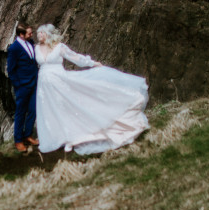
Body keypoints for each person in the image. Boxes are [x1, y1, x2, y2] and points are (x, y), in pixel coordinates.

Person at [34, 23, 148, 154]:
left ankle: (70, 136)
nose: (39, 35)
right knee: (50, 109)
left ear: (48, 34)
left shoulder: (59, 47)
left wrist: (92, 63)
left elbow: (75, 57)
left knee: (65, 107)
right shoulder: (36, 48)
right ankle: (57, 136)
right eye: (38, 33)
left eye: (41, 33)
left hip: (60, 80)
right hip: (44, 85)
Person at [5, 23, 40, 153]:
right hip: (22, 86)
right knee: (20, 112)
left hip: (34, 82)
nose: (32, 35)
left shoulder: (30, 42)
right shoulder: (14, 48)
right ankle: (18, 140)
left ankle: (28, 135)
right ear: (21, 34)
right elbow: (11, 69)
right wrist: (18, 85)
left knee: (32, 110)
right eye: (29, 33)